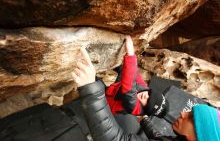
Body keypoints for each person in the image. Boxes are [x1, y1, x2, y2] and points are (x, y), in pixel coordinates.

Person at [72, 46, 220, 141]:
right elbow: (159, 138)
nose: (183, 113)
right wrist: (144, 120)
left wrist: (90, 88)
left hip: (106, 100)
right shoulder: (144, 95)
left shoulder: (133, 104)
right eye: (190, 111)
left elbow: (114, 138)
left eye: (191, 118)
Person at [105, 35, 169, 117]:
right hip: (115, 90)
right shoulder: (145, 89)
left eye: (148, 101)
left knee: (94, 83)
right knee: (120, 66)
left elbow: (129, 88)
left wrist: (131, 53)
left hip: (106, 102)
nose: (146, 96)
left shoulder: (135, 108)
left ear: (146, 108)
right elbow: (134, 74)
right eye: (150, 95)